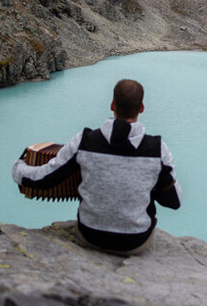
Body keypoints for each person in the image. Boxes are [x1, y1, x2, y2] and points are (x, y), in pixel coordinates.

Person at [11, 78, 182, 255]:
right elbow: (174, 201)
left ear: (112, 105)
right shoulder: (157, 149)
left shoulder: (85, 141)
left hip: (90, 236)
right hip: (135, 241)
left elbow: (44, 179)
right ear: (141, 108)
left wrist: (17, 168)